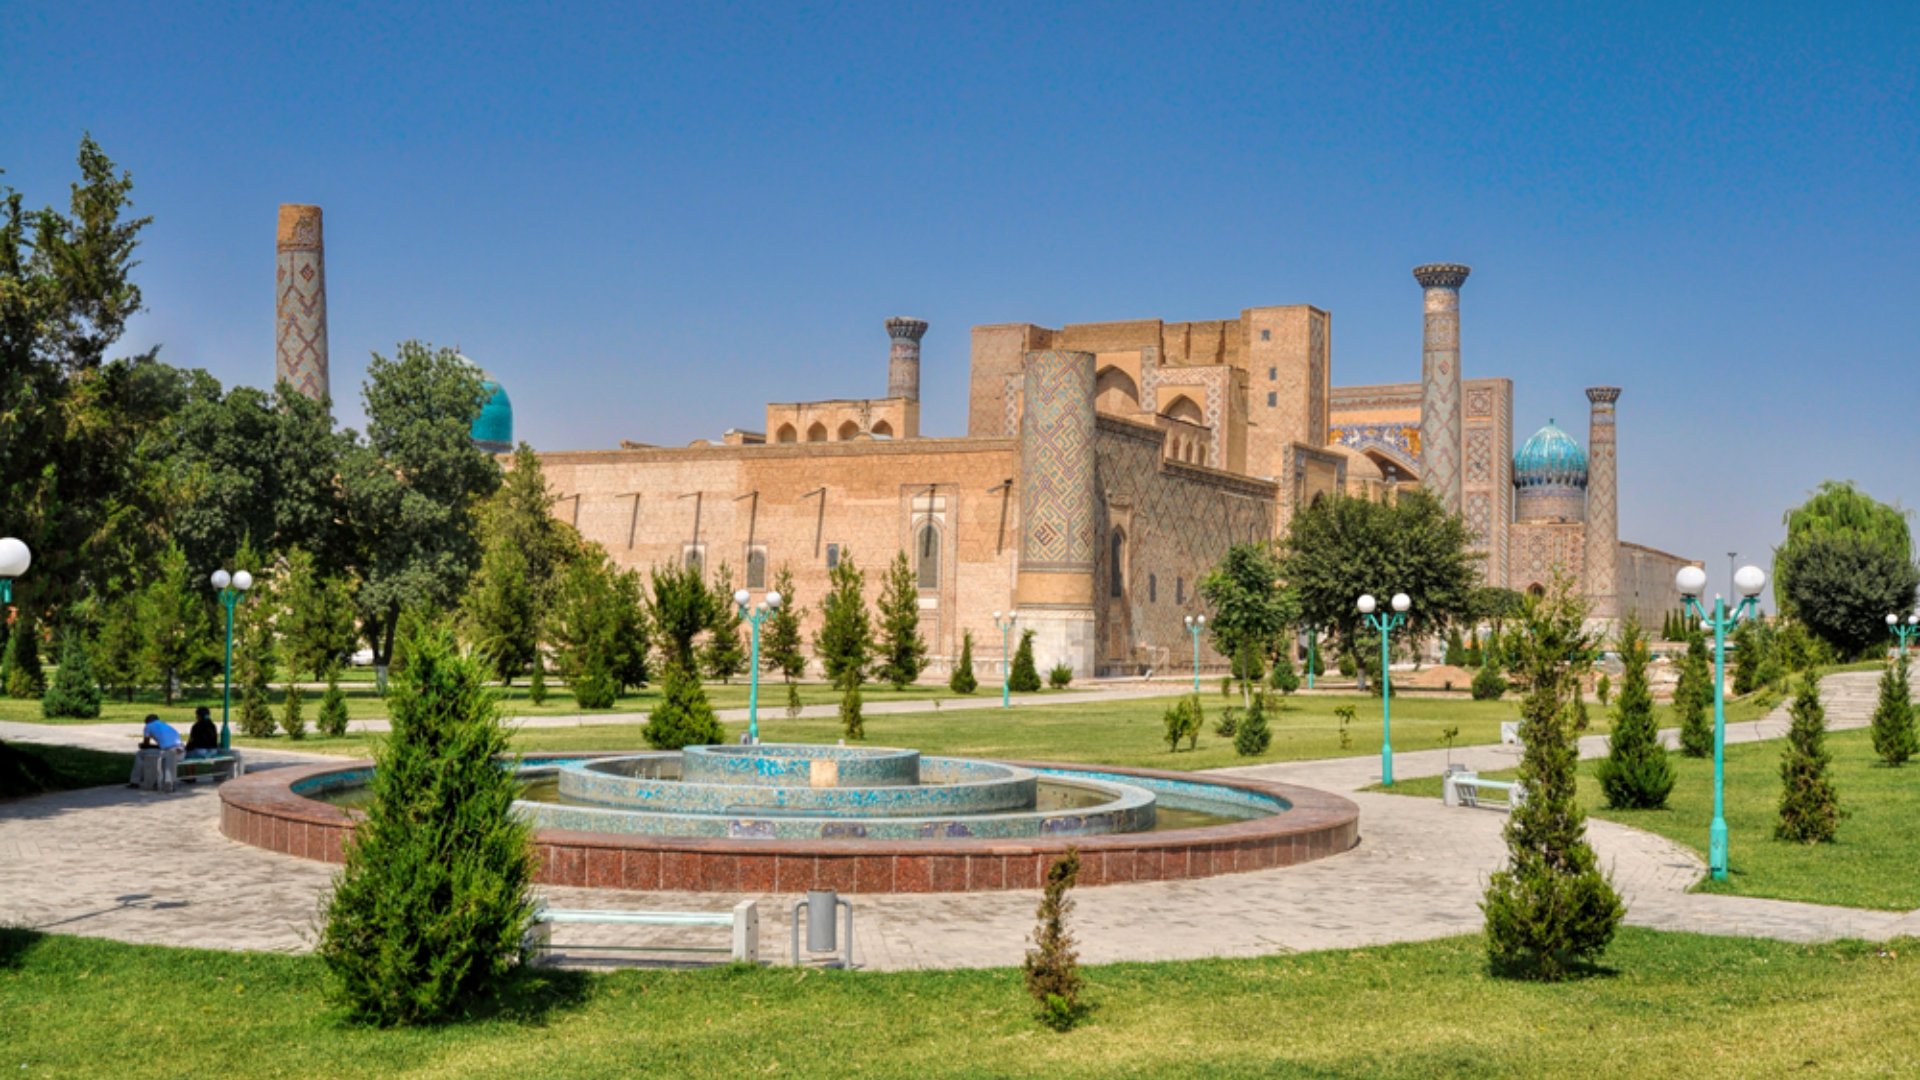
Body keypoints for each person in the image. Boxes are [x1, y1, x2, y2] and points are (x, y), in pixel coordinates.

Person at [129, 713, 184, 791]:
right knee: (158, 755)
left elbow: (146, 744)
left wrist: (142, 745)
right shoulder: (165, 725)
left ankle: (134, 781)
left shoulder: (148, 726)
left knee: (140, 754)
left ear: (147, 721)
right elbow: (165, 744)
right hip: (180, 751)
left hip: (168, 753)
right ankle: (160, 781)